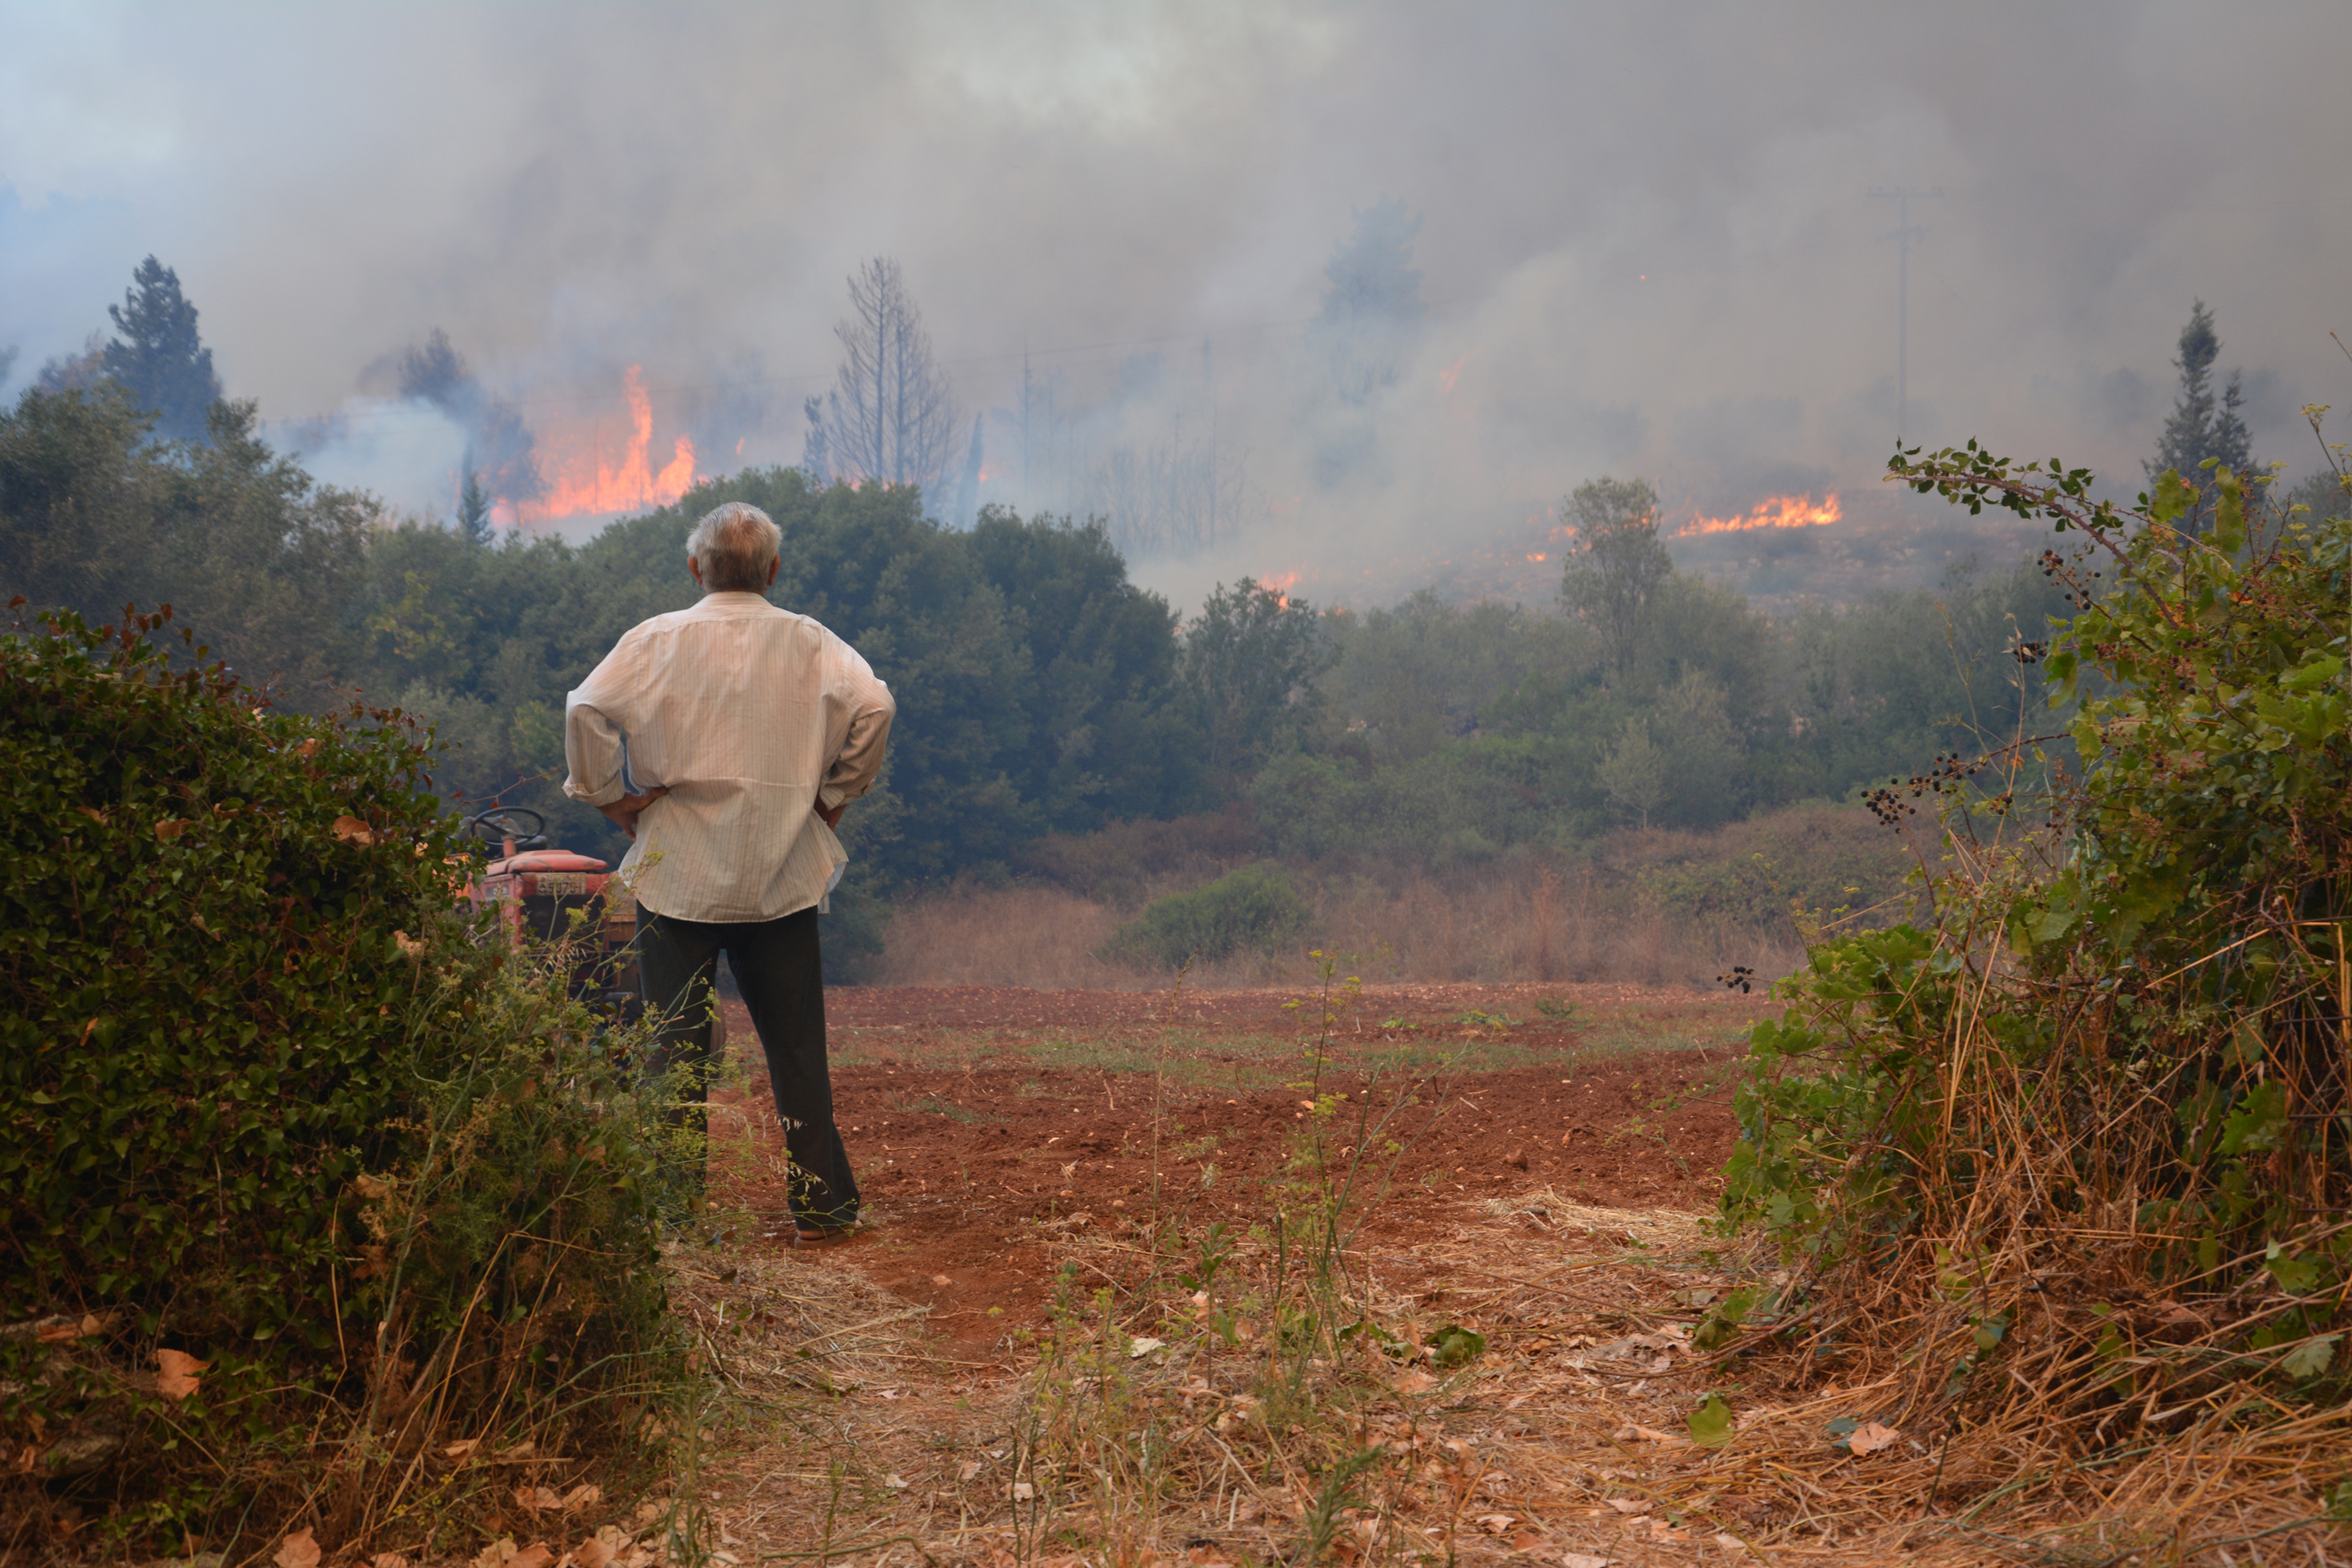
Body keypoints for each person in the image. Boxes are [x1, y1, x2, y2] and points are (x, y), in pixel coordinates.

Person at [563, 501, 894, 1241]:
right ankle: (823, 1209)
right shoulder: (812, 642)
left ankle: (673, 1217)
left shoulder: (654, 640)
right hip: (781, 873)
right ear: (773, 570)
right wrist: (833, 798)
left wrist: (609, 798)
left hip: (676, 874)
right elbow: (876, 706)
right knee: (797, 1052)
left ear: (695, 568)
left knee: (672, 1053)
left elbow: (584, 709)